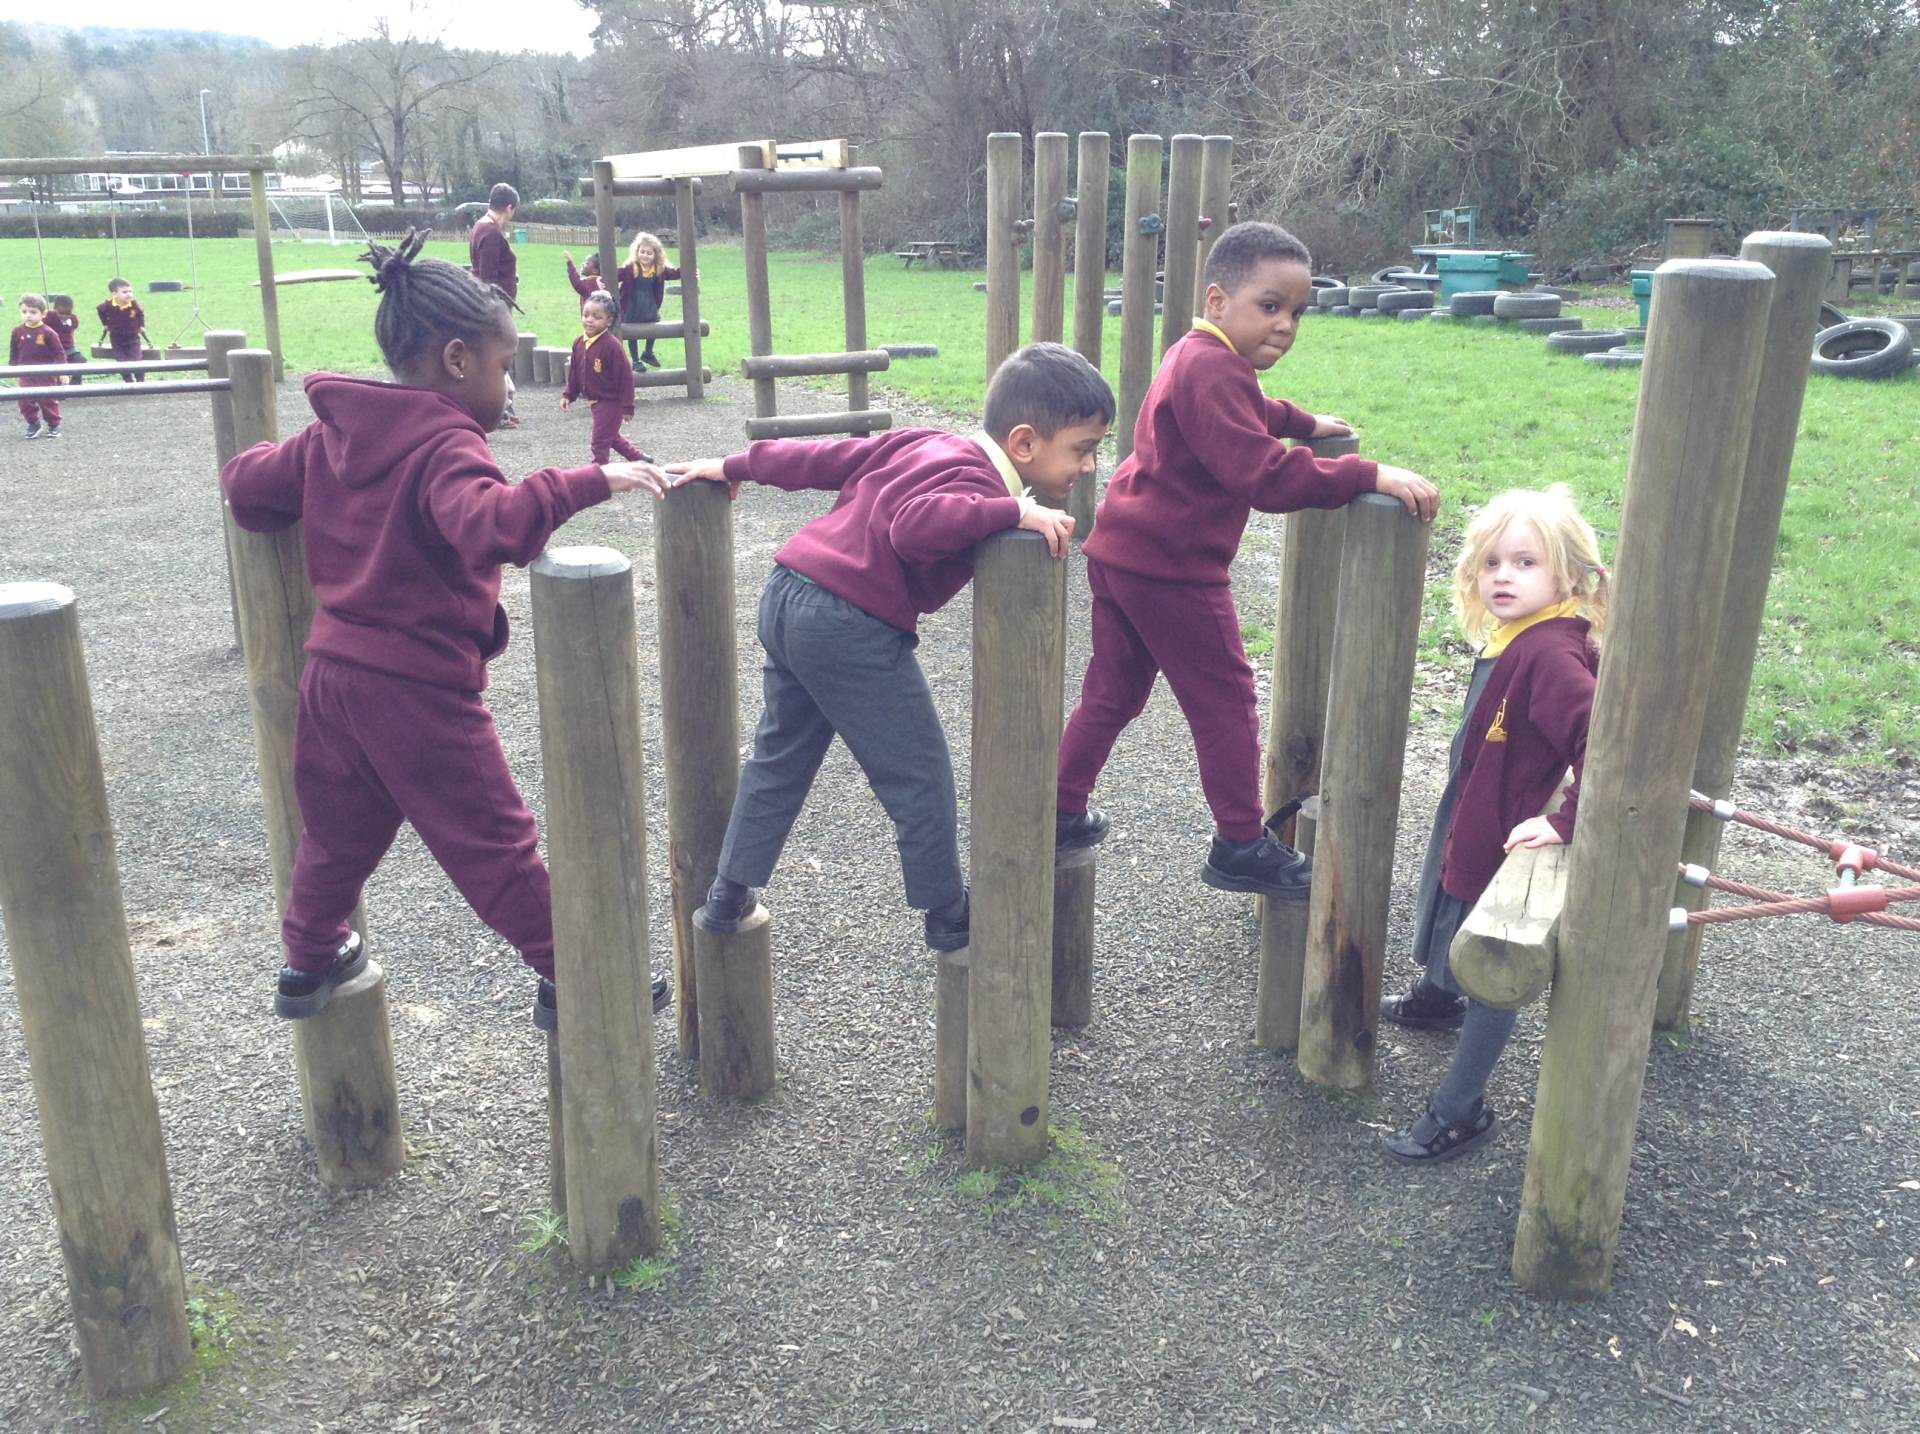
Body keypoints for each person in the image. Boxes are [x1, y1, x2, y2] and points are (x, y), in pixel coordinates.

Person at [220, 230, 672, 1031]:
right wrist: (591, 480)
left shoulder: (337, 431)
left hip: (332, 680)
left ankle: (307, 956)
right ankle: (582, 973)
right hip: (417, 690)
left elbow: (248, 491)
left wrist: (266, 456)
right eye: (504, 366)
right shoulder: (447, 443)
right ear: (458, 361)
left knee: (336, 834)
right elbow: (492, 524)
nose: (509, 385)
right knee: (494, 843)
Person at [670, 342, 1112, 950]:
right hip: (847, 622)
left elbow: (830, 457)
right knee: (919, 774)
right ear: (1025, 444)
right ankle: (947, 913)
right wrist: (1011, 509)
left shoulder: (928, 441)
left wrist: (737, 465)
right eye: (1083, 449)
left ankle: (728, 893)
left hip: (789, 591)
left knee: (780, 757)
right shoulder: (977, 482)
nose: (1090, 466)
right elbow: (914, 525)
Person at [1053, 220, 1439, 898]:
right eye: (1270, 305)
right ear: (1217, 300)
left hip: (1122, 551)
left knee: (1111, 693)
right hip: (1173, 568)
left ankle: (1057, 810)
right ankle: (1238, 844)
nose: (1286, 325)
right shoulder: (1215, 368)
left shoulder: (1196, 354)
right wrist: (1365, 474)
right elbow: (1262, 476)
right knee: (1227, 703)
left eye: (1297, 312)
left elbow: (1248, 409)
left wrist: (1303, 422)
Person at [1380, 484, 1608, 1163]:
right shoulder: (1519, 635)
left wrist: (1567, 821)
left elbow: (1603, 743)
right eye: (1492, 562)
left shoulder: (1551, 653)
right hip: (1479, 808)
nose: (1504, 576)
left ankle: (1461, 1110)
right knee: (1447, 892)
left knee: (1494, 960)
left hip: (1506, 836)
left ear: (1569, 575)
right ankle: (1438, 995)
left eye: (1525, 563)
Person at [562, 289, 650, 466]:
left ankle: (599, 472)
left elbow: (625, 378)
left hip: (610, 401)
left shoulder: (612, 346)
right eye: (586, 315)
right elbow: (575, 372)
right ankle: (639, 459)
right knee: (611, 436)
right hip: (594, 401)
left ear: (608, 321)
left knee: (600, 442)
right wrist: (568, 395)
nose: (590, 320)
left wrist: (627, 406)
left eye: (597, 317)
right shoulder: (579, 343)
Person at [469, 184, 522, 427]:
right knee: (496, 356)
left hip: (492, 303)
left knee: (497, 355)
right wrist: (494, 311)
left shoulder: (481, 227)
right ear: (509, 207)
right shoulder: (490, 232)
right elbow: (488, 277)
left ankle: (505, 408)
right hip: (493, 306)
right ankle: (498, 411)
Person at [616, 232, 680, 369]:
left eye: (649, 253)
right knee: (632, 332)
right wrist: (600, 277)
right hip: (632, 306)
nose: (645, 255)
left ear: (656, 255)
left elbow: (674, 273)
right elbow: (616, 274)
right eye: (642, 252)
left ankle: (648, 352)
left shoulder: (658, 269)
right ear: (637, 252)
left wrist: (689, 271)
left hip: (649, 304)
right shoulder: (631, 268)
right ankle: (635, 360)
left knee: (655, 324)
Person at [11, 292, 67, 437]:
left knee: (47, 399)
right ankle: (33, 423)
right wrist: (13, 370)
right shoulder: (17, 331)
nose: (28, 315)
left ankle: (54, 424)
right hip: (25, 372)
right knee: (24, 399)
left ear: (43, 314)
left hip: (45, 373)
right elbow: (14, 352)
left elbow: (59, 353)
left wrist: (63, 371)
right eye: (24, 312)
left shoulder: (48, 333)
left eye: (33, 312)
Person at [96, 278, 148, 383]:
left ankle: (140, 381)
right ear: (114, 294)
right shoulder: (108, 305)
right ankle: (128, 381)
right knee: (121, 361)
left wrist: (141, 326)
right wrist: (105, 323)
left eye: (130, 291)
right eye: (124, 292)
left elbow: (140, 314)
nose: (129, 294)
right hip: (116, 338)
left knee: (137, 359)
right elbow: (100, 310)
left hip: (132, 337)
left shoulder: (133, 304)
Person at [45, 294, 83, 384]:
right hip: (54, 351)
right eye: (61, 313)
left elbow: (73, 328)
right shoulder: (49, 317)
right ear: (54, 309)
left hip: (69, 350)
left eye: (68, 313)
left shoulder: (73, 319)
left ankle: (76, 384)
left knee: (79, 360)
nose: (65, 316)